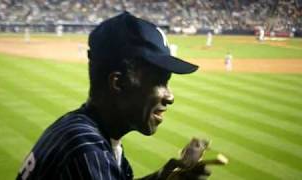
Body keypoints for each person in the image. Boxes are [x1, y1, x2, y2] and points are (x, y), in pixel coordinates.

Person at [17, 12, 213, 180]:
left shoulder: (82, 130)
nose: (170, 97)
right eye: (159, 82)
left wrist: (166, 175)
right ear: (118, 83)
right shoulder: (87, 151)